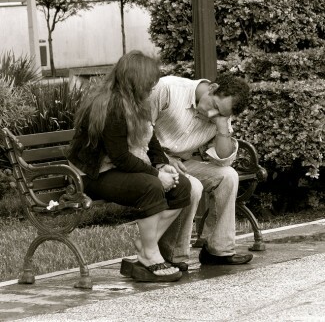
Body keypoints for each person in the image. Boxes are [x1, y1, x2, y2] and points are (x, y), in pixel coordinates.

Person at [67, 50, 192, 282]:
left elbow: (150, 139)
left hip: (117, 168)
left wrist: (162, 165)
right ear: (135, 81)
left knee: (183, 186)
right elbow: (120, 156)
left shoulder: (136, 102)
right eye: (149, 83)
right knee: (151, 186)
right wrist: (156, 174)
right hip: (92, 175)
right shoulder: (109, 106)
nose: (152, 88)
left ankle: (146, 245)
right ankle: (150, 254)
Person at [148, 73, 254, 265]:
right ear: (212, 88)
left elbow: (223, 160)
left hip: (181, 164)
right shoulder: (168, 89)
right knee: (192, 186)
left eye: (222, 114)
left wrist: (222, 125)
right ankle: (173, 256)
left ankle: (217, 250)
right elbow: (140, 128)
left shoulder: (220, 114)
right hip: (149, 161)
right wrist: (163, 160)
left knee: (228, 176)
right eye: (214, 107)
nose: (213, 114)